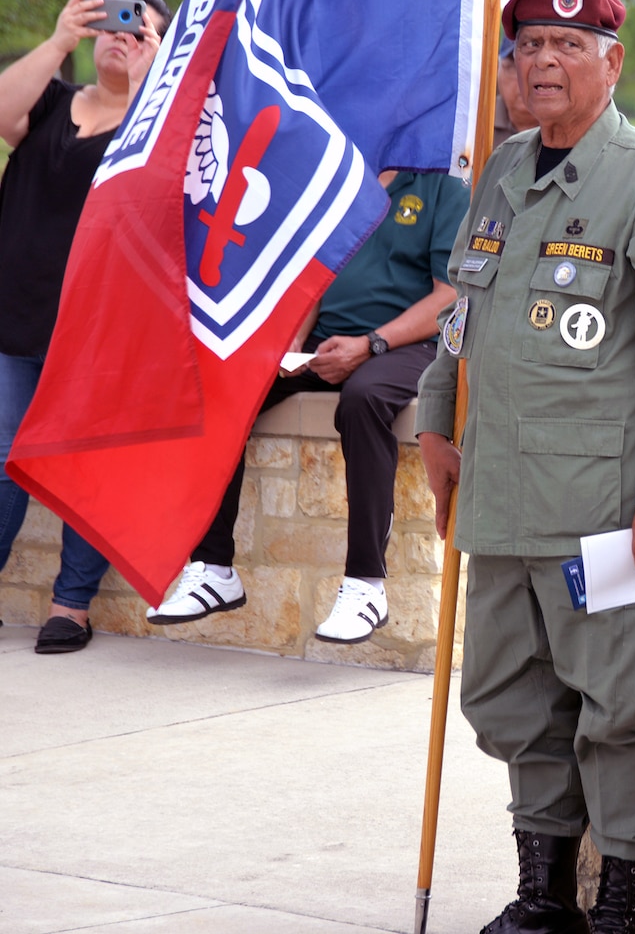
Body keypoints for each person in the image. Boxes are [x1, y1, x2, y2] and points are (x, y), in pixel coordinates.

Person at [415, 0, 635, 934]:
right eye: (529, 46)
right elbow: (463, 312)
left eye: (569, 45)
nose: (544, 63)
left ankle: (619, 909)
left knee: (621, 712)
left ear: (612, 63)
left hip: (615, 511)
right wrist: (439, 418)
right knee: (516, 706)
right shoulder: (505, 169)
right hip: (505, 498)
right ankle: (543, 897)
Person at [146, 170, 469, 641]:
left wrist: (371, 343)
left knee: (364, 401)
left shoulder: (443, 188)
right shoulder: (335, 173)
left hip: (407, 345)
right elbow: (312, 281)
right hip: (328, 338)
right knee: (218, 389)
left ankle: (365, 586)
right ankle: (214, 568)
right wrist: (292, 343)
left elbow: (450, 295)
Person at [0, 0, 171, 654]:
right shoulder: (49, 103)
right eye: (112, 23)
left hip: (99, 336)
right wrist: (57, 40)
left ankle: (70, 606)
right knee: (4, 463)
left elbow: (167, 185)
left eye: (139, 28)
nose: (121, 36)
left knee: (85, 470)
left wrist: (155, 79)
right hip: (13, 323)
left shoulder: (156, 124)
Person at [493, 33, 538, 146]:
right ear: (498, 70)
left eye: (536, 67)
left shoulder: (577, 129)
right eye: (513, 67)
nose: (523, 79)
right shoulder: (474, 125)